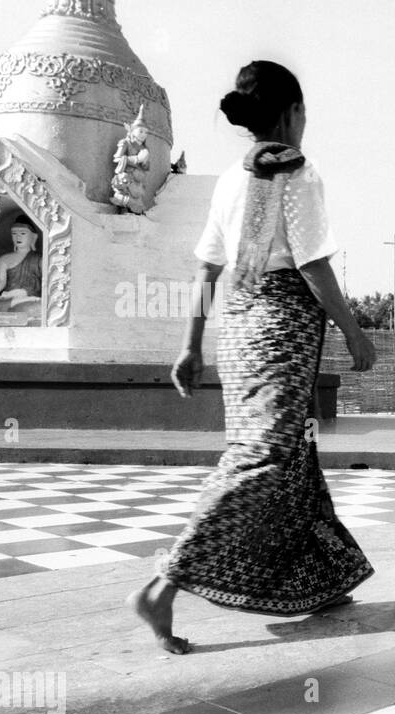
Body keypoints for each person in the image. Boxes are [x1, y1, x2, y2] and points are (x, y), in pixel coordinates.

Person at [129, 61, 377, 654]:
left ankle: (323, 578)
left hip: (237, 327)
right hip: (284, 325)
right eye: (305, 113)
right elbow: (314, 264)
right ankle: (166, 583)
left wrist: (191, 345)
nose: (306, 124)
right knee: (262, 457)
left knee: (290, 454)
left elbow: (207, 269)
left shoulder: (232, 180)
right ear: (291, 114)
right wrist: (353, 331)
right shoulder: (297, 173)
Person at [0, 216, 43, 315]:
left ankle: (12, 310)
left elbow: (46, 283)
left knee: (33, 307)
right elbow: (0, 281)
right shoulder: (4, 259)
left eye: (23, 233)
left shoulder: (39, 258)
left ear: (34, 237)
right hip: (6, 298)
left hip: (28, 299)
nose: (18, 237)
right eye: (14, 233)